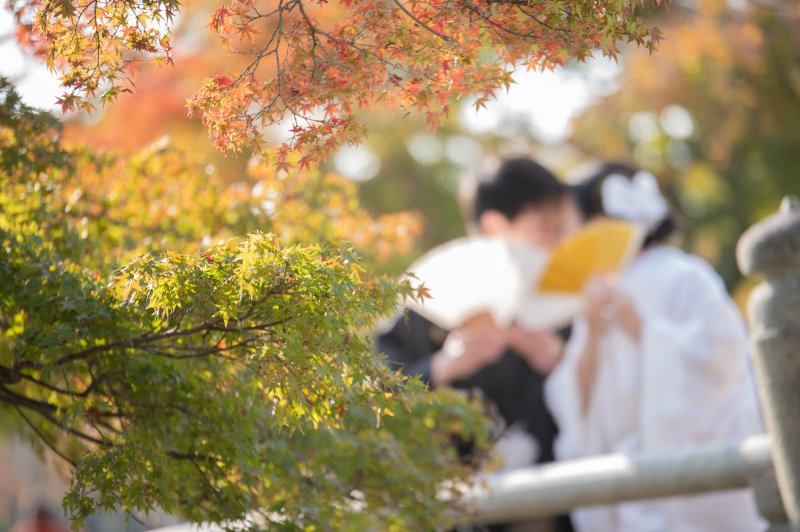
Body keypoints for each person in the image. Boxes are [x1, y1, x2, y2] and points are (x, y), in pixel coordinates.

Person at [545, 162, 764, 531]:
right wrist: (594, 337)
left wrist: (645, 331)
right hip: (630, 475)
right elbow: (573, 403)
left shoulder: (685, 275)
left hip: (687, 466)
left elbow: (724, 356)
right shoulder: (597, 298)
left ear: (601, 221)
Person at [377, 157, 579, 532]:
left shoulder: (567, 306)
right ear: (494, 225)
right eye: (543, 225)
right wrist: (441, 367)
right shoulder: (427, 306)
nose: (554, 238)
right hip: (452, 507)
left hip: (552, 503)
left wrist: (563, 366)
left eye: (559, 225)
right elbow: (373, 396)